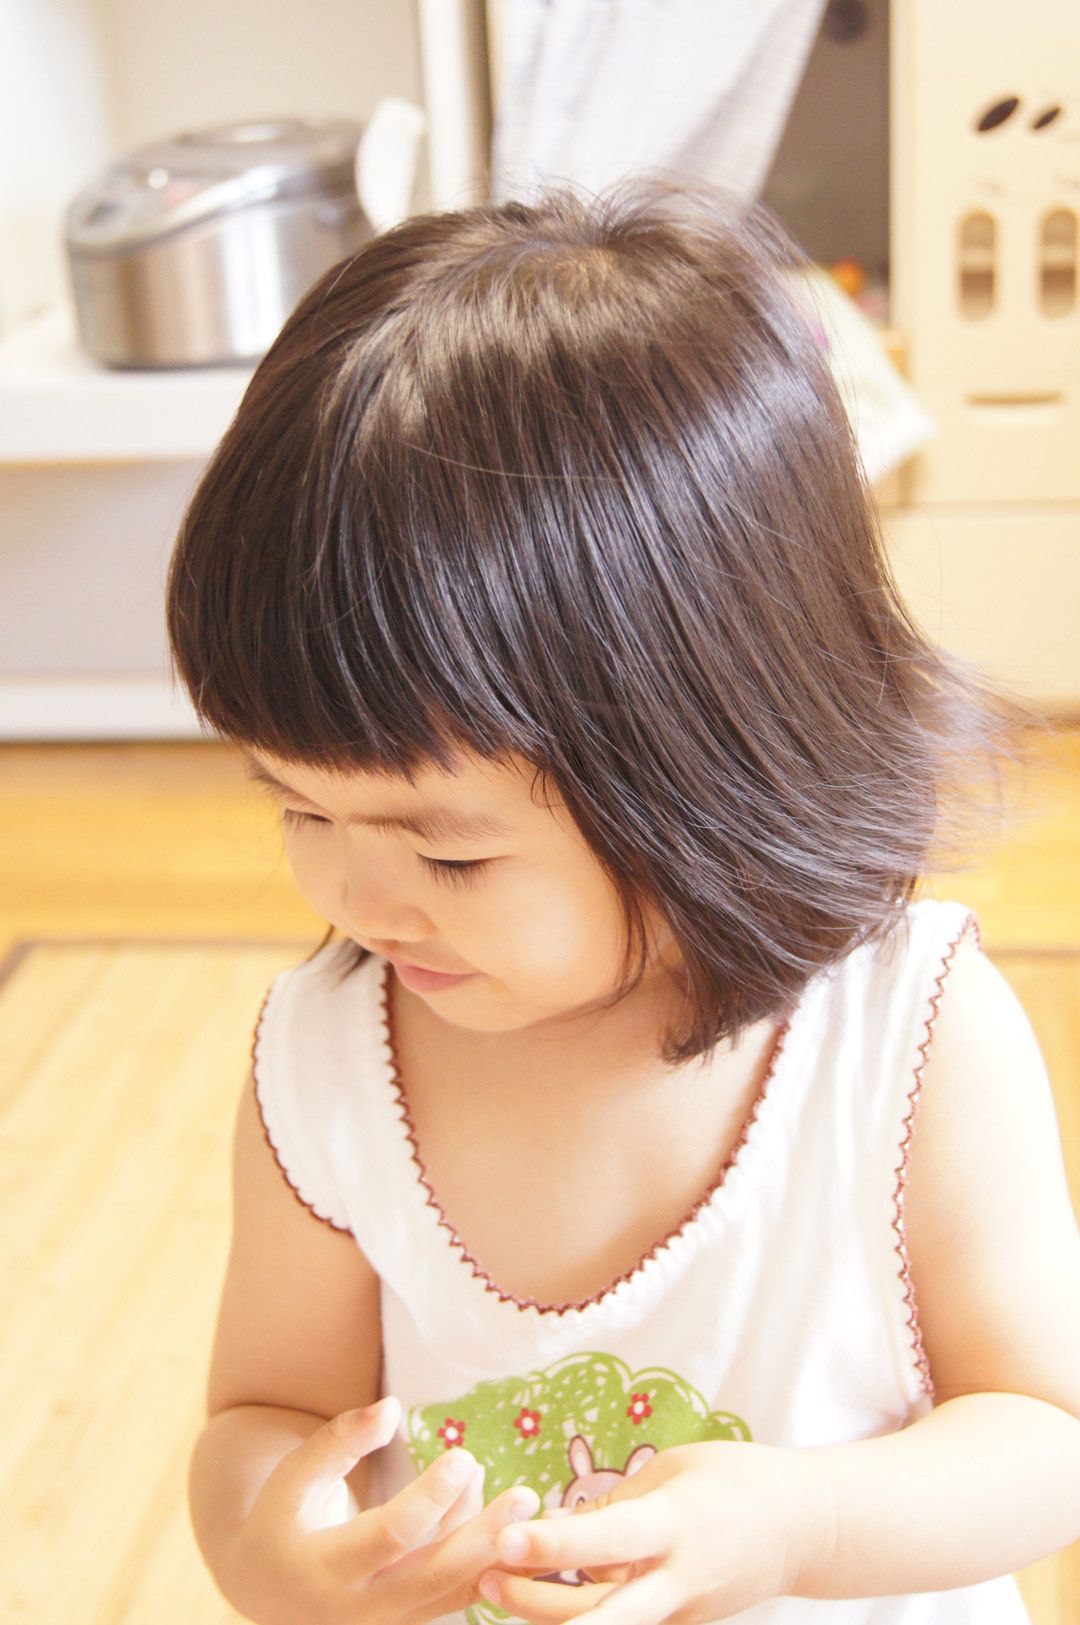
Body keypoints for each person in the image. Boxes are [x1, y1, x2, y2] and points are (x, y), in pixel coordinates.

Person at [167, 184, 1080, 1625]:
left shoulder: (908, 1038)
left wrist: (800, 1527)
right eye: (299, 807)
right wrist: (271, 1550)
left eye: (450, 856)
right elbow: (264, 1417)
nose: (352, 893)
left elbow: (1047, 1432)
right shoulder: (330, 1062)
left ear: (705, 771)